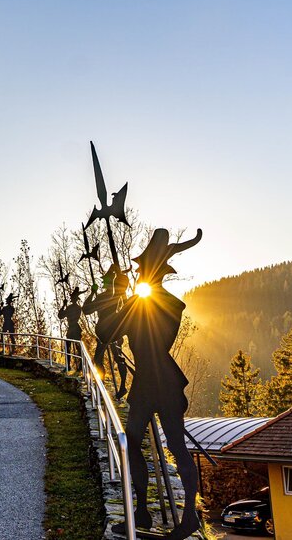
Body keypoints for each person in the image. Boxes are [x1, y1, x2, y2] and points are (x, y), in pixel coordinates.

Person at [110, 228, 203, 540]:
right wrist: (121, 300)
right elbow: (109, 334)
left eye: (143, 268)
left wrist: (126, 305)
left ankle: (188, 517)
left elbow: (121, 335)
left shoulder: (164, 305)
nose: (138, 272)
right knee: (131, 443)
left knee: (176, 446)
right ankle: (142, 512)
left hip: (159, 382)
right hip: (150, 383)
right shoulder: (142, 304)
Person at [85, 264, 131, 399]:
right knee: (110, 358)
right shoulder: (114, 295)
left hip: (108, 331)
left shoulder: (106, 296)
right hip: (109, 331)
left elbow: (86, 309)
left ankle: (111, 385)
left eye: (105, 279)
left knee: (111, 358)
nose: (103, 281)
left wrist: (93, 293)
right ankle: (107, 384)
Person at [57, 288, 86, 369]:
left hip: (74, 329)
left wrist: (64, 306)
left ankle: (80, 366)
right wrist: (64, 305)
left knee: (78, 348)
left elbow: (61, 316)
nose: (71, 298)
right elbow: (60, 316)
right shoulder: (71, 308)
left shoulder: (76, 308)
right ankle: (68, 365)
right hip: (72, 329)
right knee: (68, 347)